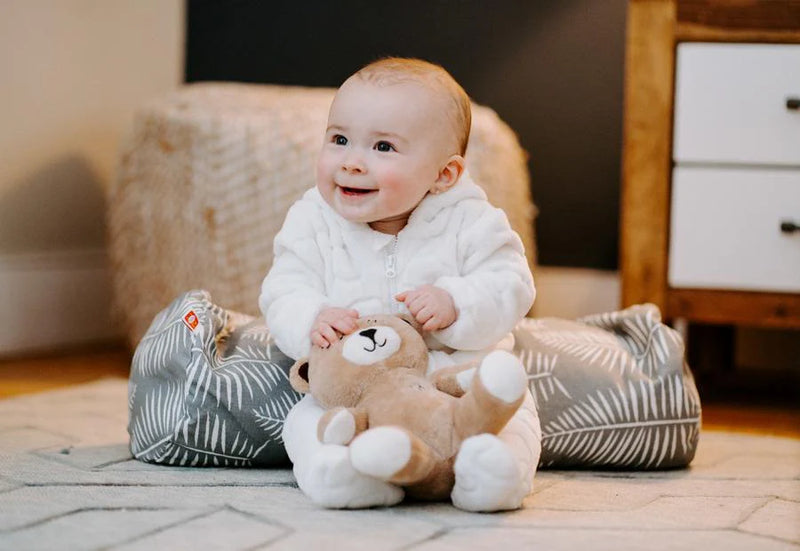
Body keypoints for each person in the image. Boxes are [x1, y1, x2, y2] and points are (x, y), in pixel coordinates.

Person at [260, 57, 541, 511]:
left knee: (516, 413)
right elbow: (284, 286)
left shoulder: (472, 220)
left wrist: (457, 302)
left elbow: (511, 282)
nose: (351, 162)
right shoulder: (312, 220)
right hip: (359, 391)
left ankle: (492, 474)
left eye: (383, 147)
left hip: (449, 379)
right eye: (339, 139)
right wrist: (312, 317)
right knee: (306, 419)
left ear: (443, 174)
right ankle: (341, 473)